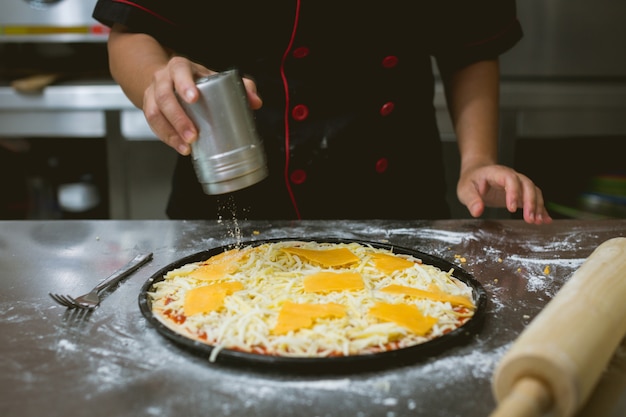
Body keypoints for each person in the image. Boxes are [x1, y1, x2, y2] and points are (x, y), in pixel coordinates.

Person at [92, 0, 552, 224]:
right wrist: (158, 78)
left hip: (394, 210)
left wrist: (476, 160)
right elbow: (130, 31)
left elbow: (469, 45)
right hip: (232, 209)